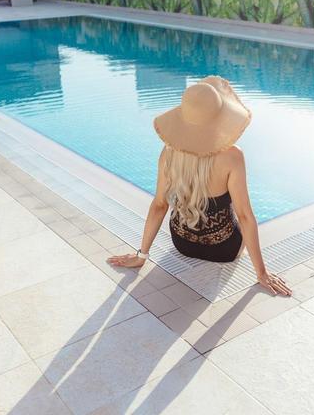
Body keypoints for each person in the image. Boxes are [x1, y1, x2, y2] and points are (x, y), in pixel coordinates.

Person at [108, 76, 291, 296]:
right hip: (225, 249)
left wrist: (141, 256)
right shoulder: (233, 156)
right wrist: (261, 272)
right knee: (239, 211)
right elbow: (245, 216)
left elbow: (159, 205)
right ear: (221, 116)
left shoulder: (169, 153)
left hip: (182, 243)